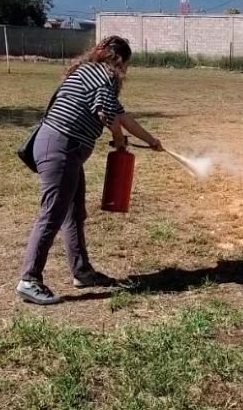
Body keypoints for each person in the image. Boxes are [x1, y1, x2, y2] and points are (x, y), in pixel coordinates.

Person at [16, 35, 163, 305]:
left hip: (64, 149)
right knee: (53, 214)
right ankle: (29, 279)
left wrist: (152, 141)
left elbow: (122, 115)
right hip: (61, 148)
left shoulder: (90, 72)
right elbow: (107, 113)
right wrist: (118, 140)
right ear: (120, 60)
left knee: (74, 213)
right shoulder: (105, 75)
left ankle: (82, 271)